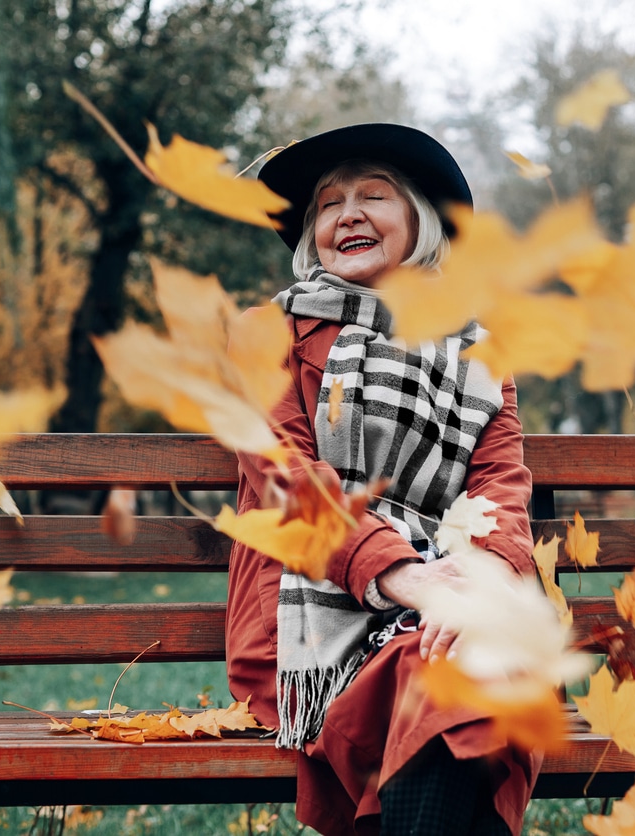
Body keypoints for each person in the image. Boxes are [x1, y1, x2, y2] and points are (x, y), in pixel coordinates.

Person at [225, 123, 538, 836]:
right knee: (458, 692)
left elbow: (500, 490)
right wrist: (412, 581)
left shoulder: (481, 355)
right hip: (307, 626)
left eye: (373, 195)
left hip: (446, 607)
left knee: (471, 672)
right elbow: (286, 482)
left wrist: (473, 584)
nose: (347, 214)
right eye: (328, 205)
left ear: (421, 222)